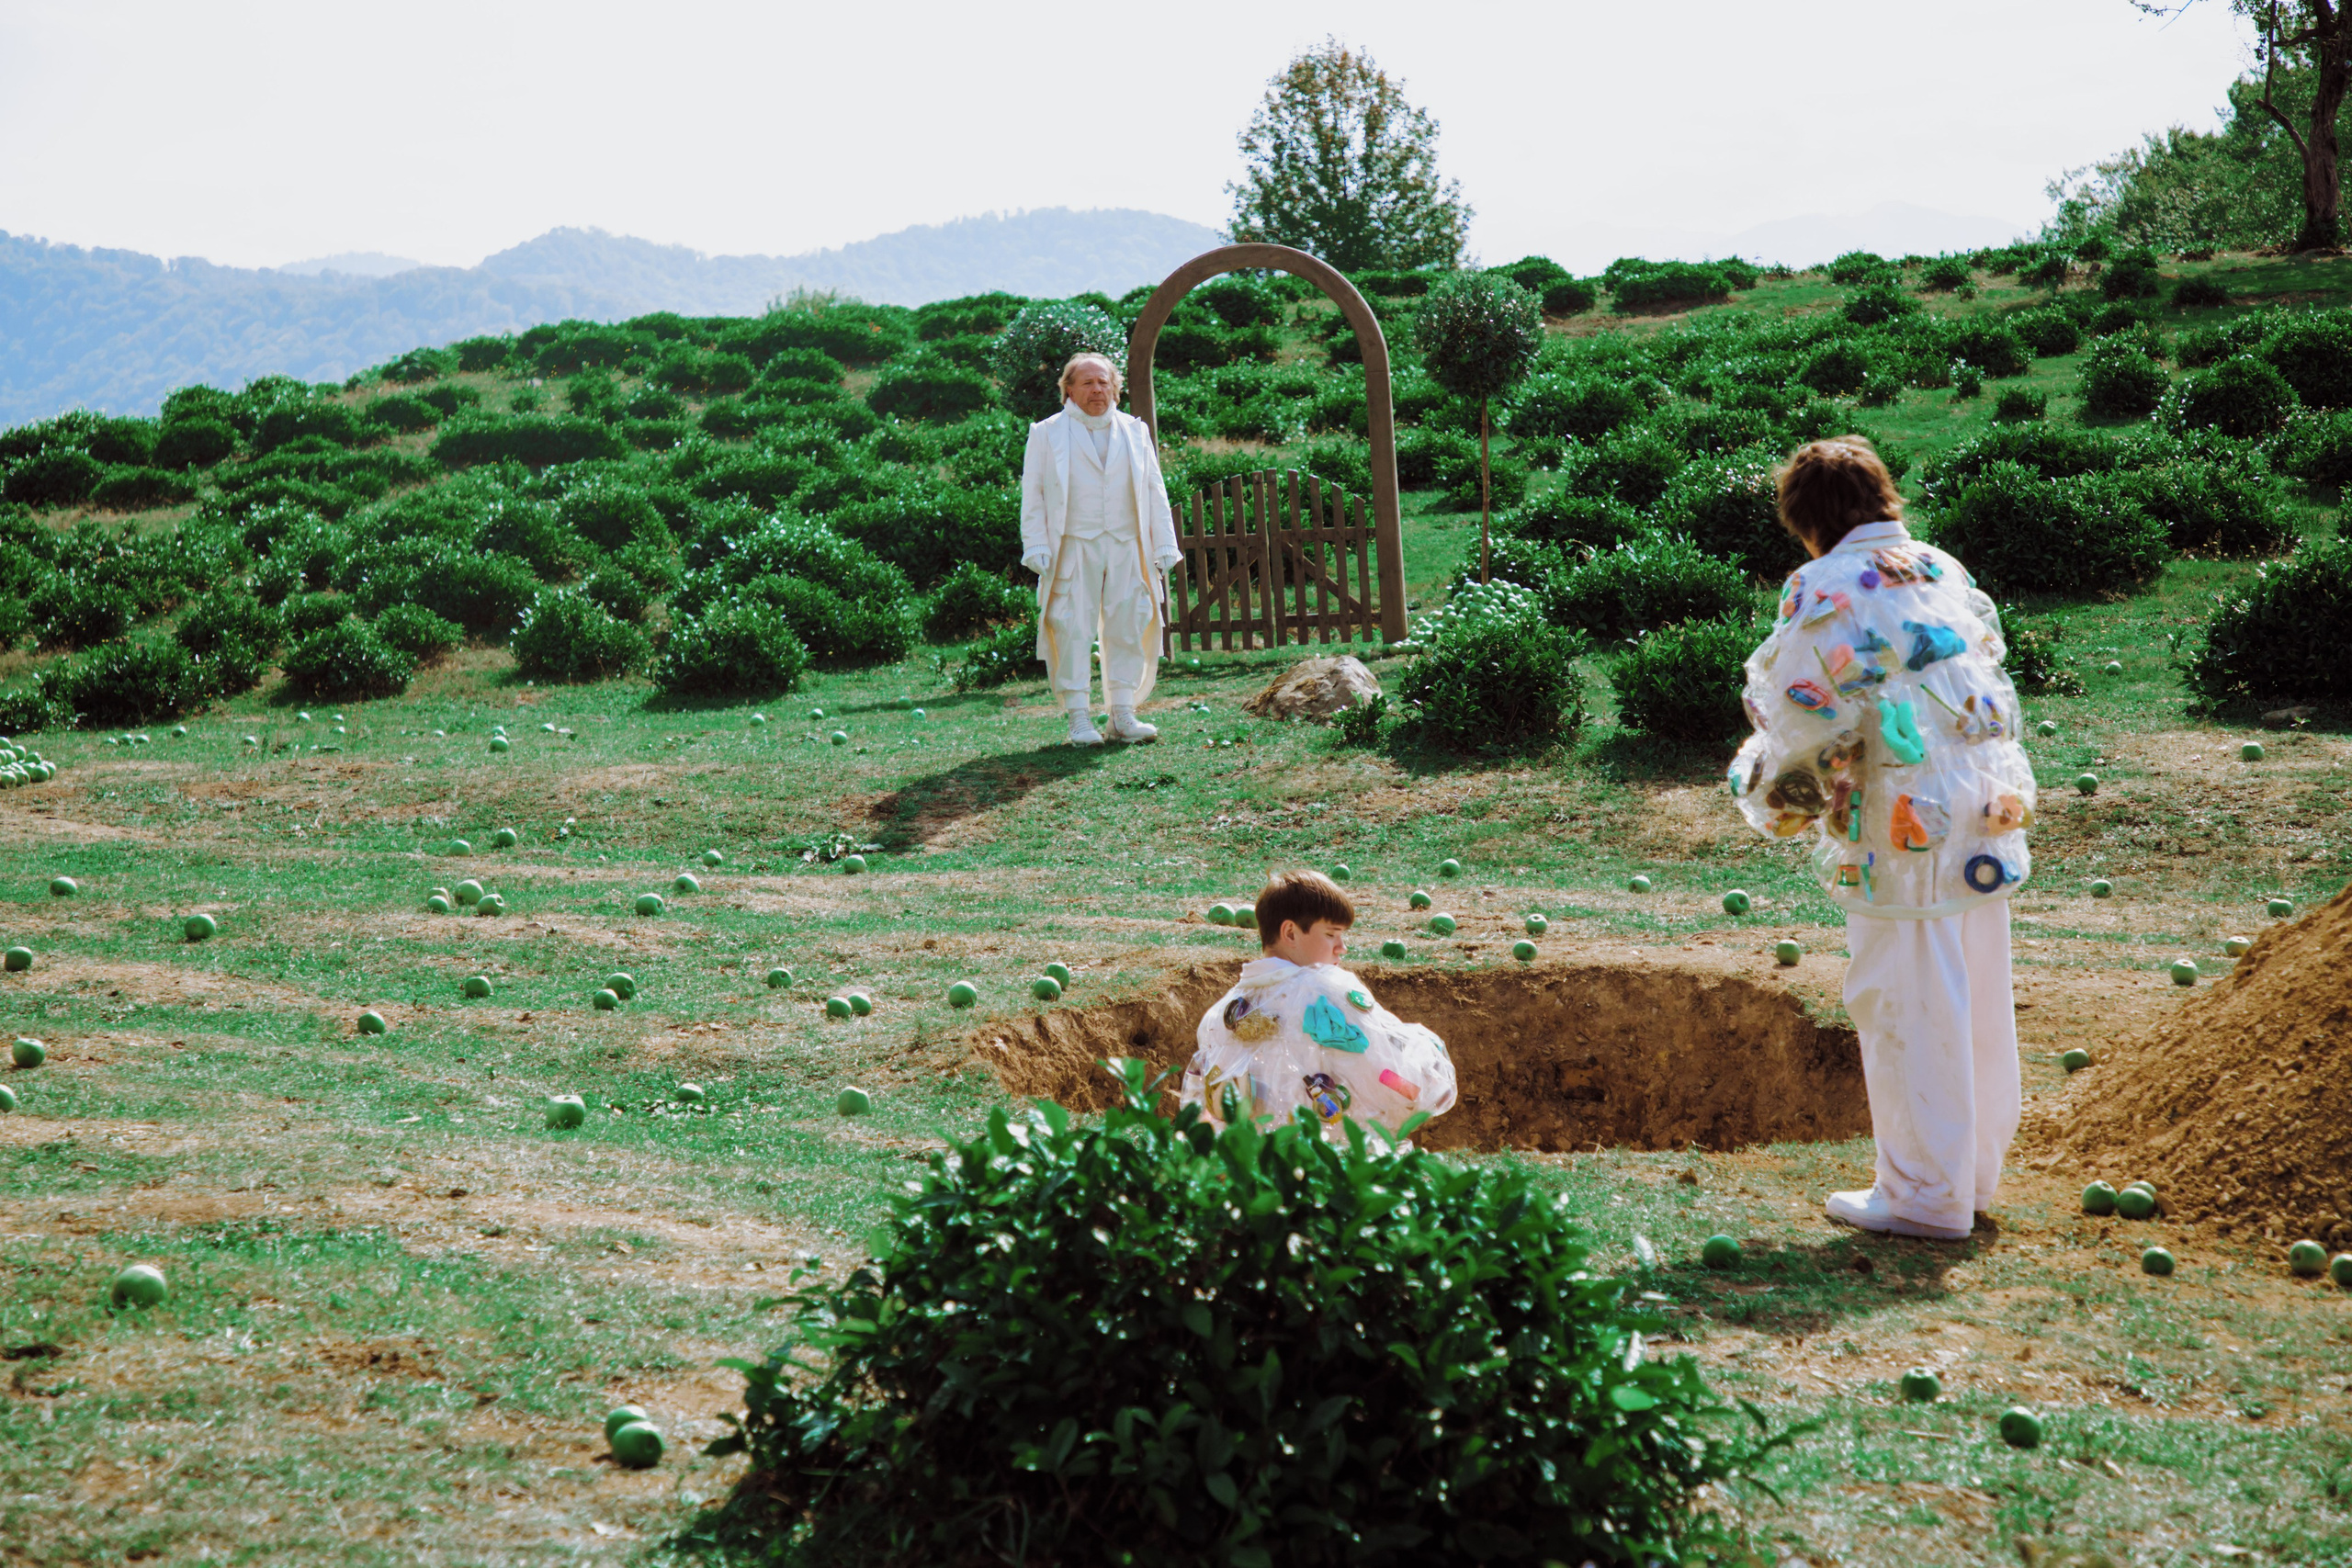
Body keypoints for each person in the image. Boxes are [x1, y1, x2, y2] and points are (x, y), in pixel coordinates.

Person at [1728, 436, 2033, 1242]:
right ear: (1882, 497)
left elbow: (1804, 714)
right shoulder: (1941, 566)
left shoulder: (1822, 584)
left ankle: (1922, 1193)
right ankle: (1968, 1177)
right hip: (1984, 808)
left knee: (1904, 997)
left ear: (1805, 522)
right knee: (1975, 988)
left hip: (1901, 829)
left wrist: (1758, 787)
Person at [1181, 870, 1457, 1143]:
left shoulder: (1221, 1013)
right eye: (1331, 934)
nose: (1342, 947)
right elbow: (1389, 1078)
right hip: (1323, 1166)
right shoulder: (1326, 991)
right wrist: (1429, 1061)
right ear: (1290, 933)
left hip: (1251, 1171)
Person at [1019, 353, 1185, 747]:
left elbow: (1153, 488)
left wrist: (1164, 542)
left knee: (1129, 622)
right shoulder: (1046, 433)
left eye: (1104, 382)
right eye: (1088, 383)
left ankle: (1122, 715)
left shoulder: (1134, 430)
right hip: (1074, 545)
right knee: (1071, 626)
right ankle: (1079, 719)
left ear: (1115, 387)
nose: (1097, 389)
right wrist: (1037, 544)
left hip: (1127, 544)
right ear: (1069, 389)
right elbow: (1034, 494)